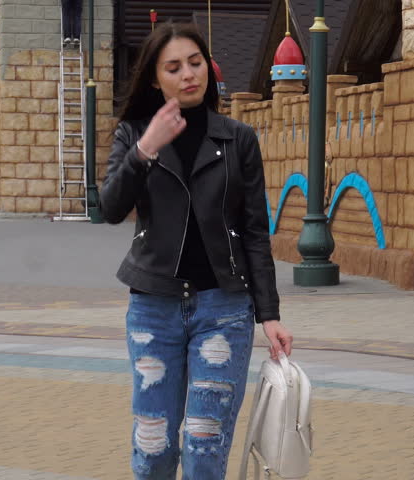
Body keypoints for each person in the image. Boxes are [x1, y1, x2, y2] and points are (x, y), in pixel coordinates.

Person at [100, 22, 293, 480]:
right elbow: (109, 207)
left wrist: (270, 314)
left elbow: (253, 232)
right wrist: (146, 148)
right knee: (154, 450)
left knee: (205, 448)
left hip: (222, 309)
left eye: (195, 62)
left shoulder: (238, 138)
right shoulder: (133, 134)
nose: (189, 74)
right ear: (154, 78)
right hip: (153, 309)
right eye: (173, 67)